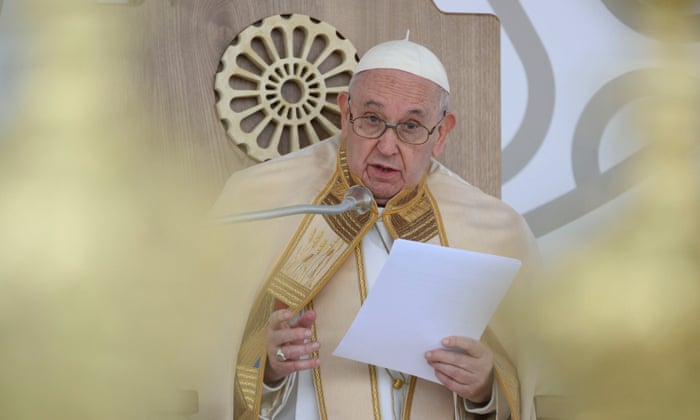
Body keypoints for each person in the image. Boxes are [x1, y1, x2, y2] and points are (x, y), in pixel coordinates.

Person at [210, 36, 541, 419]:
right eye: (371, 119)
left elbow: (534, 381)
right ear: (344, 112)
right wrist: (264, 366)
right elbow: (202, 356)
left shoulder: (496, 230)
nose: (386, 146)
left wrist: (485, 388)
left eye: (412, 126)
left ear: (442, 134)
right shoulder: (260, 200)